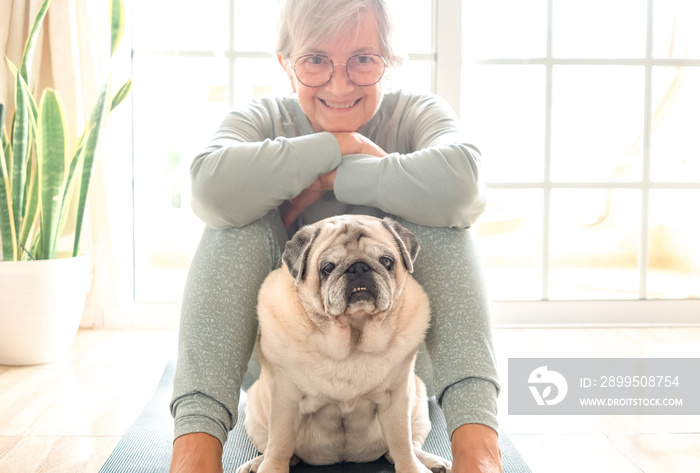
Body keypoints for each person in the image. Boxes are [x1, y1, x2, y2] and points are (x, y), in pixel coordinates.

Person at [169, 0, 501, 472]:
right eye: (315, 59)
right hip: (283, 372)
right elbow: (208, 190)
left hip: (399, 371)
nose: (340, 83)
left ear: (389, 63)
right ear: (286, 63)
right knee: (233, 224)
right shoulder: (263, 119)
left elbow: (465, 185)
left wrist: (334, 177)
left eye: (363, 59)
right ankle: (194, 456)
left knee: (443, 221)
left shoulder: (415, 113)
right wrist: (340, 146)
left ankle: (479, 455)